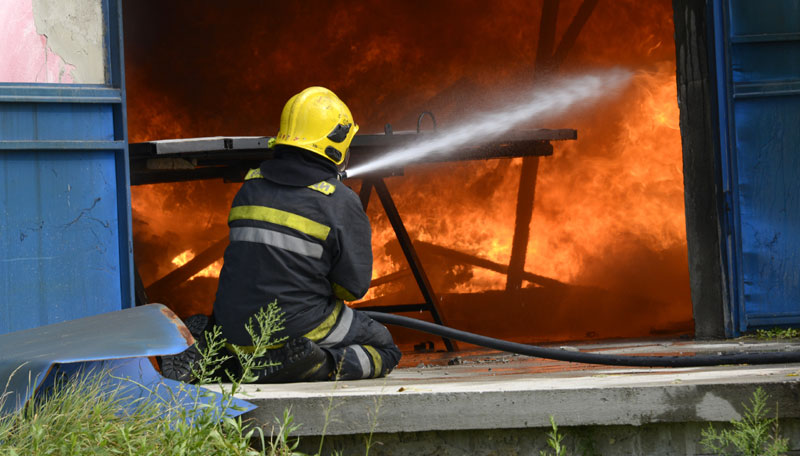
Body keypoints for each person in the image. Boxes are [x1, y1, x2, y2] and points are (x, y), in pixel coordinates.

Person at [160, 87, 401, 383]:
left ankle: (218, 361)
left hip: (231, 326)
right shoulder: (339, 201)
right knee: (385, 346)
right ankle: (317, 363)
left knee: (237, 337)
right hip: (296, 328)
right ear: (335, 146)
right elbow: (353, 288)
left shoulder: (249, 187)